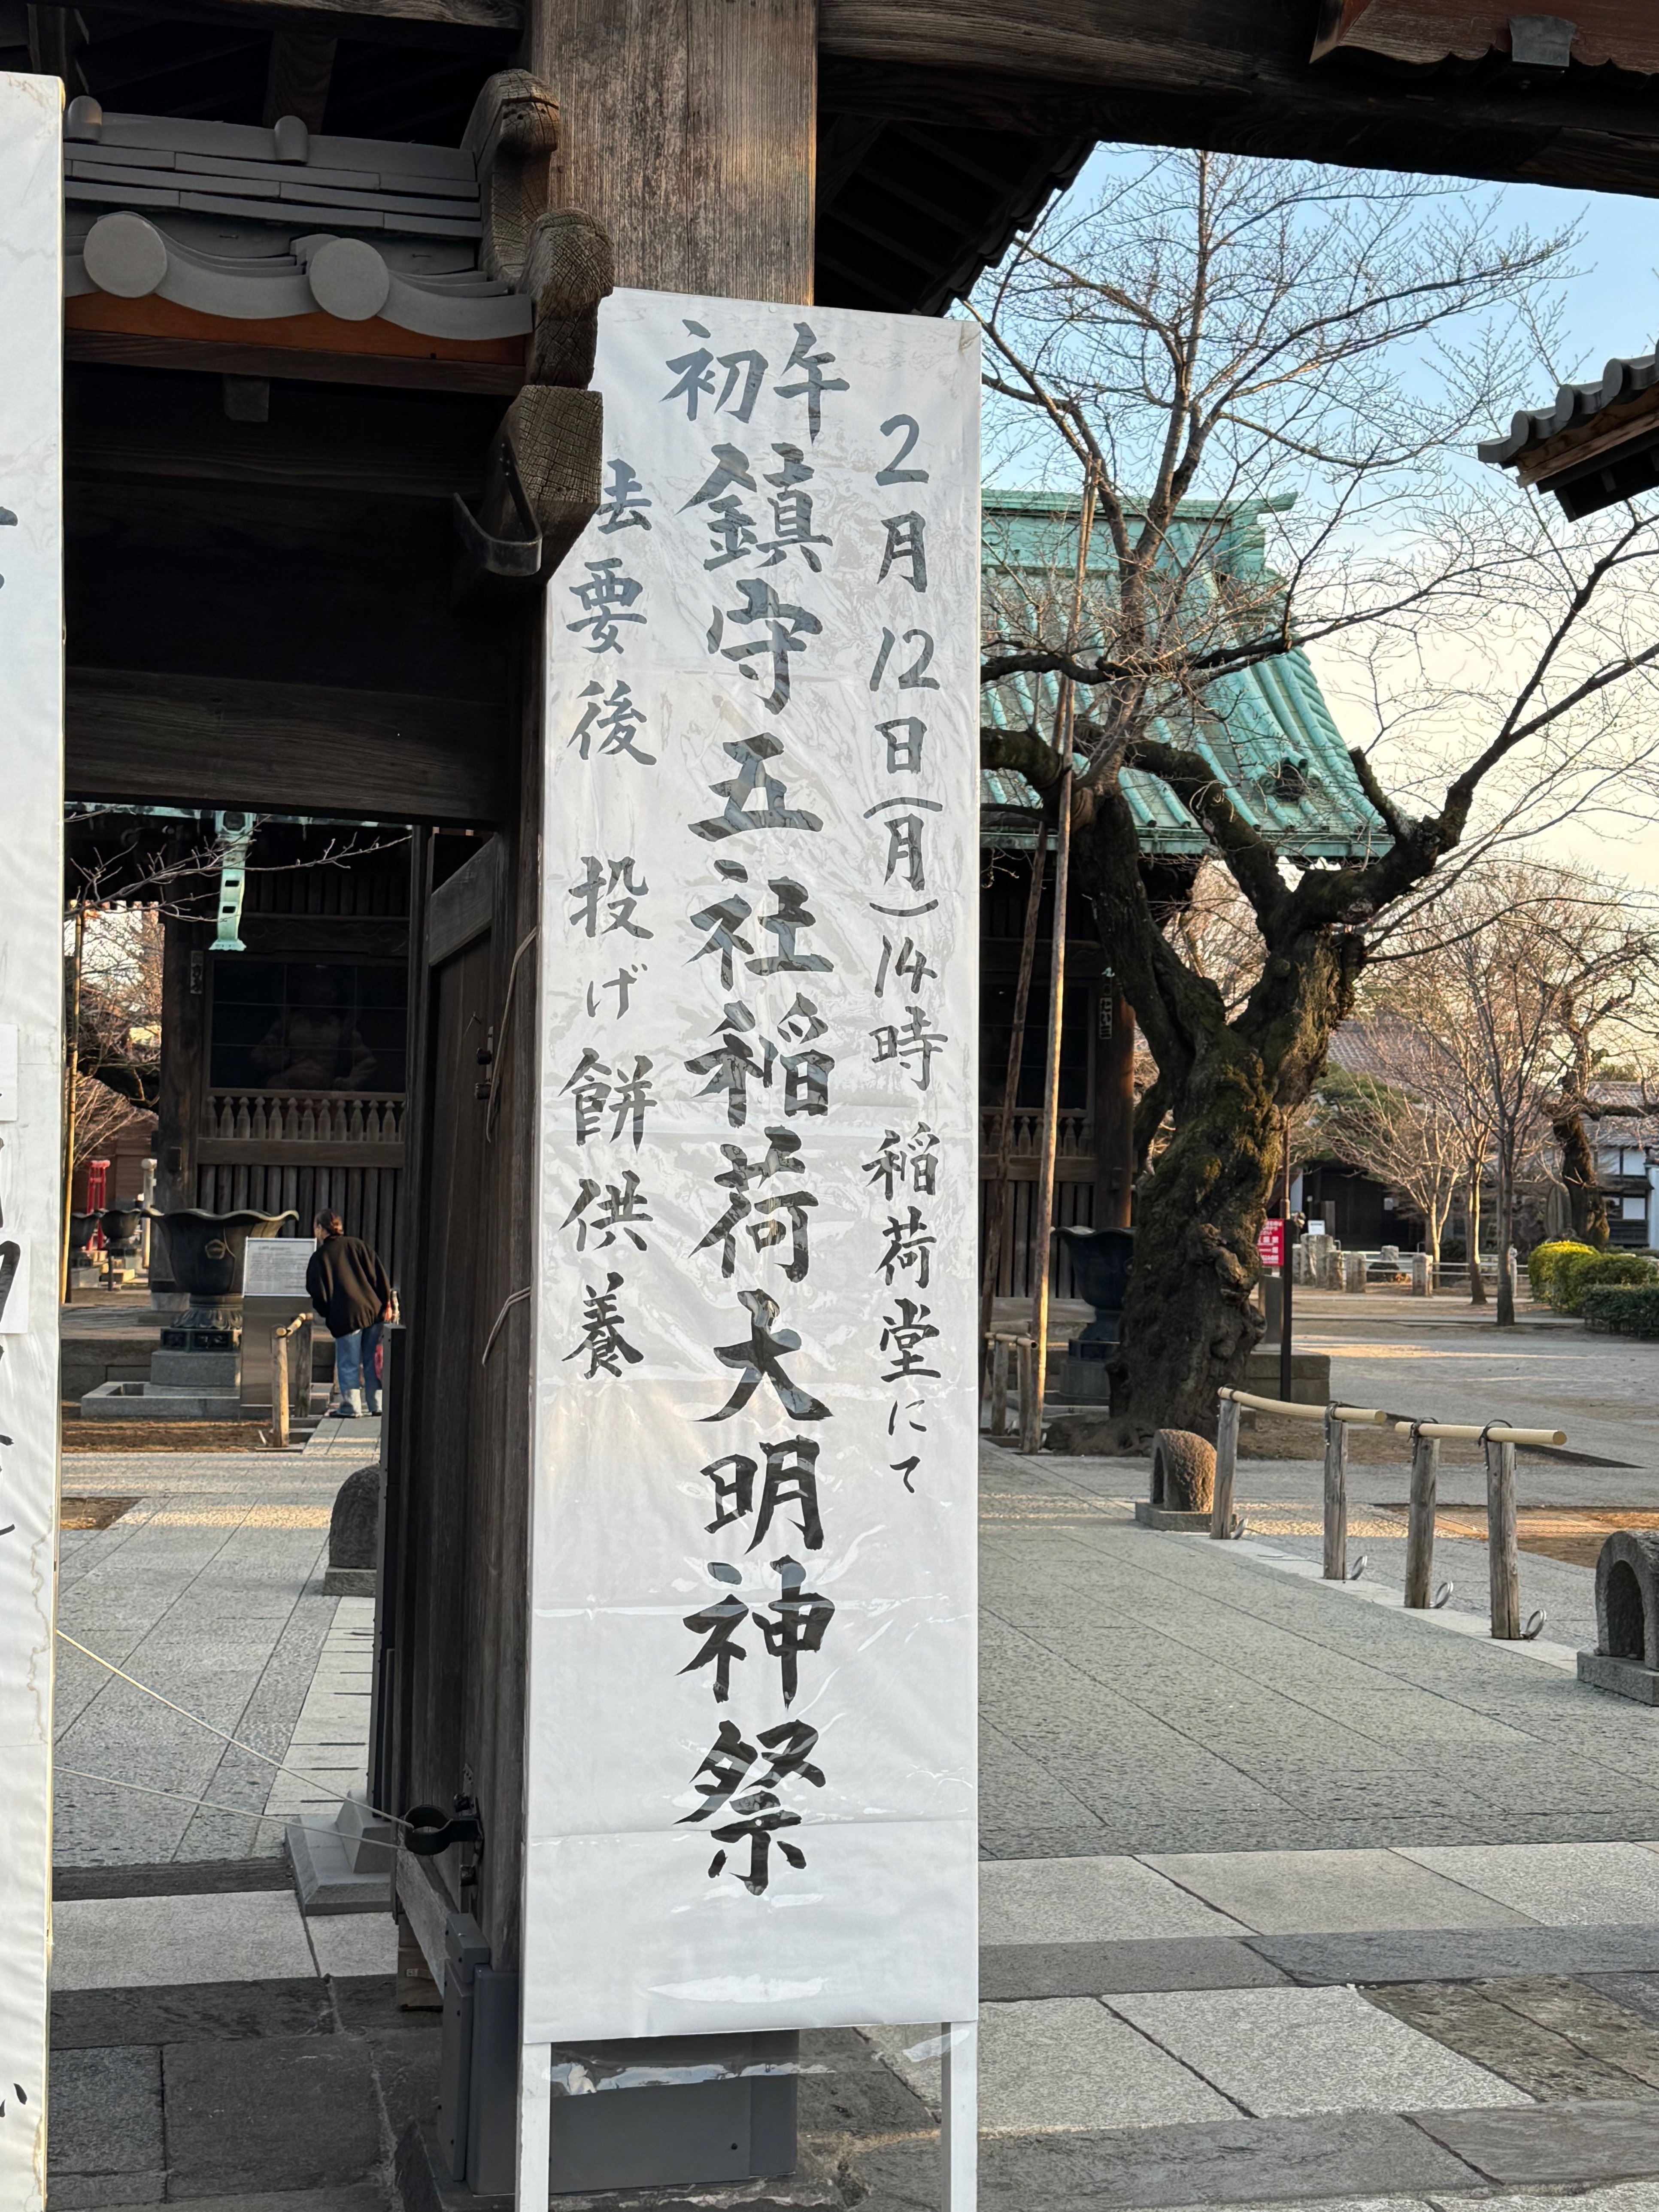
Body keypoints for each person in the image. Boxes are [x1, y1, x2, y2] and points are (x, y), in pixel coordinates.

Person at [306, 1210, 394, 1417]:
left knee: (349, 1362)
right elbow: (379, 1275)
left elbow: (317, 1292)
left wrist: (329, 1314)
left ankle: (352, 1407)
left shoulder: (321, 1257)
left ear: (320, 1228)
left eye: (316, 1227)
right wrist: (385, 1304)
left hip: (346, 1314)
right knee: (372, 1360)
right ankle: (377, 1404)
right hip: (372, 1309)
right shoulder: (358, 1245)